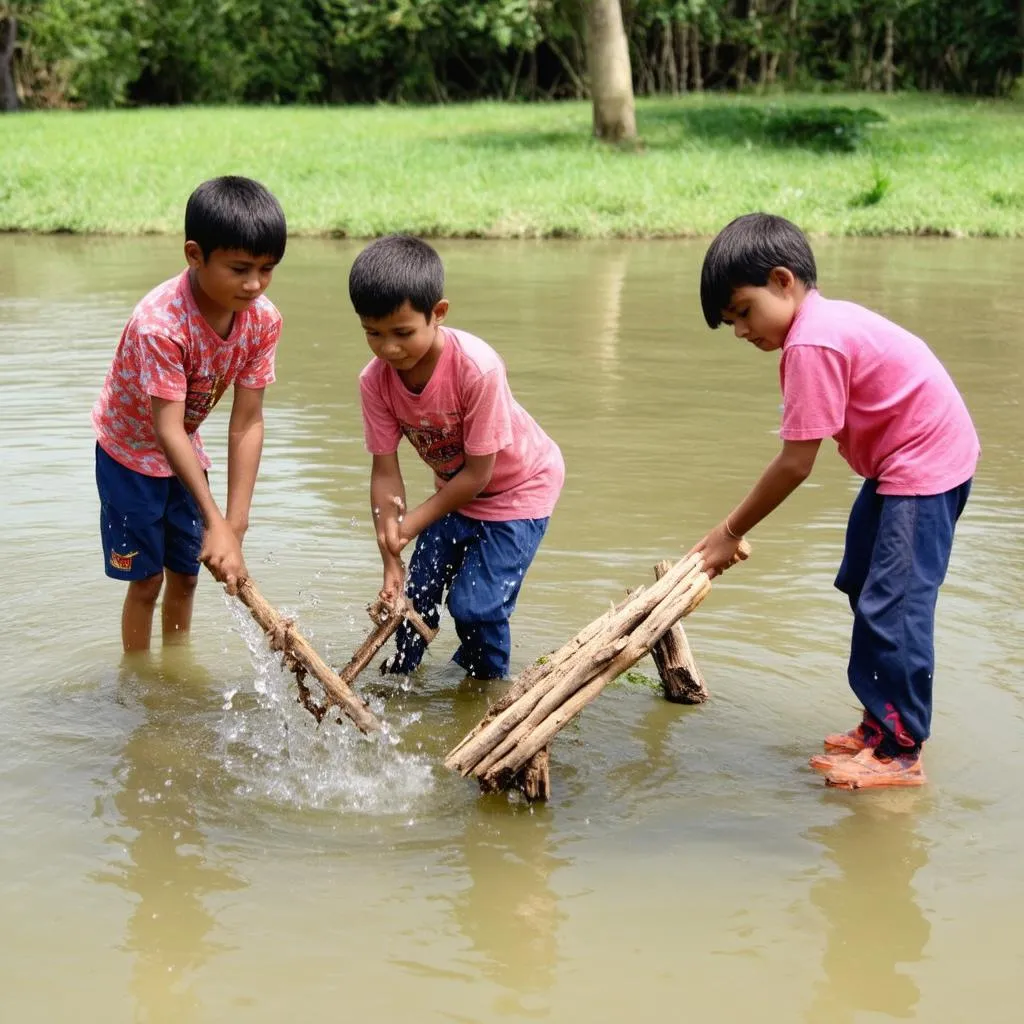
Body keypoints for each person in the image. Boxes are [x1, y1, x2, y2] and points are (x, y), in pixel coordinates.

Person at [691, 213, 978, 790]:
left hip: (923, 466)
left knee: (892, 607)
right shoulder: (819, 326)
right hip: (901, 465)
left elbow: (796, 463)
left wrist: (728, 530)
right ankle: (880, 726)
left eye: (743, 312)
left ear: (782, 281)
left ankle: (900, 753)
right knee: (862, 583)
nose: (742, 332)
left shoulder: (811, 342)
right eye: (731, 323)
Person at [350, 235, 564, 681]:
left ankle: (484, 691)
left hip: (518, 489)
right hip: (456, 489)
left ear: (438, 313)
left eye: (402, 333)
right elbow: (385, 472)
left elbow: (480, 474)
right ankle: (398, 681)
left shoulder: (477, 369)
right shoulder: (375, 382)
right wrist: (391, 559)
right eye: (373, 333)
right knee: (413, 592)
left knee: (475, 605)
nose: (389, 349)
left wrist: (410, 525)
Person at [92, 175, 287, 653]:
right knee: (147, 582)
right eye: (240, 268)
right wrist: (214, 518)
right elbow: (164, 429)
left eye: (267, 269)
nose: (255, 284)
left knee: (187, 575)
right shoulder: (161, 325)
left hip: (184, 448)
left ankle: (176, 667)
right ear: (194, 255)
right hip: (130, 456)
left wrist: (233, 525)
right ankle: (139, 678)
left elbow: (248, 421)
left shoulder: (263, 319)